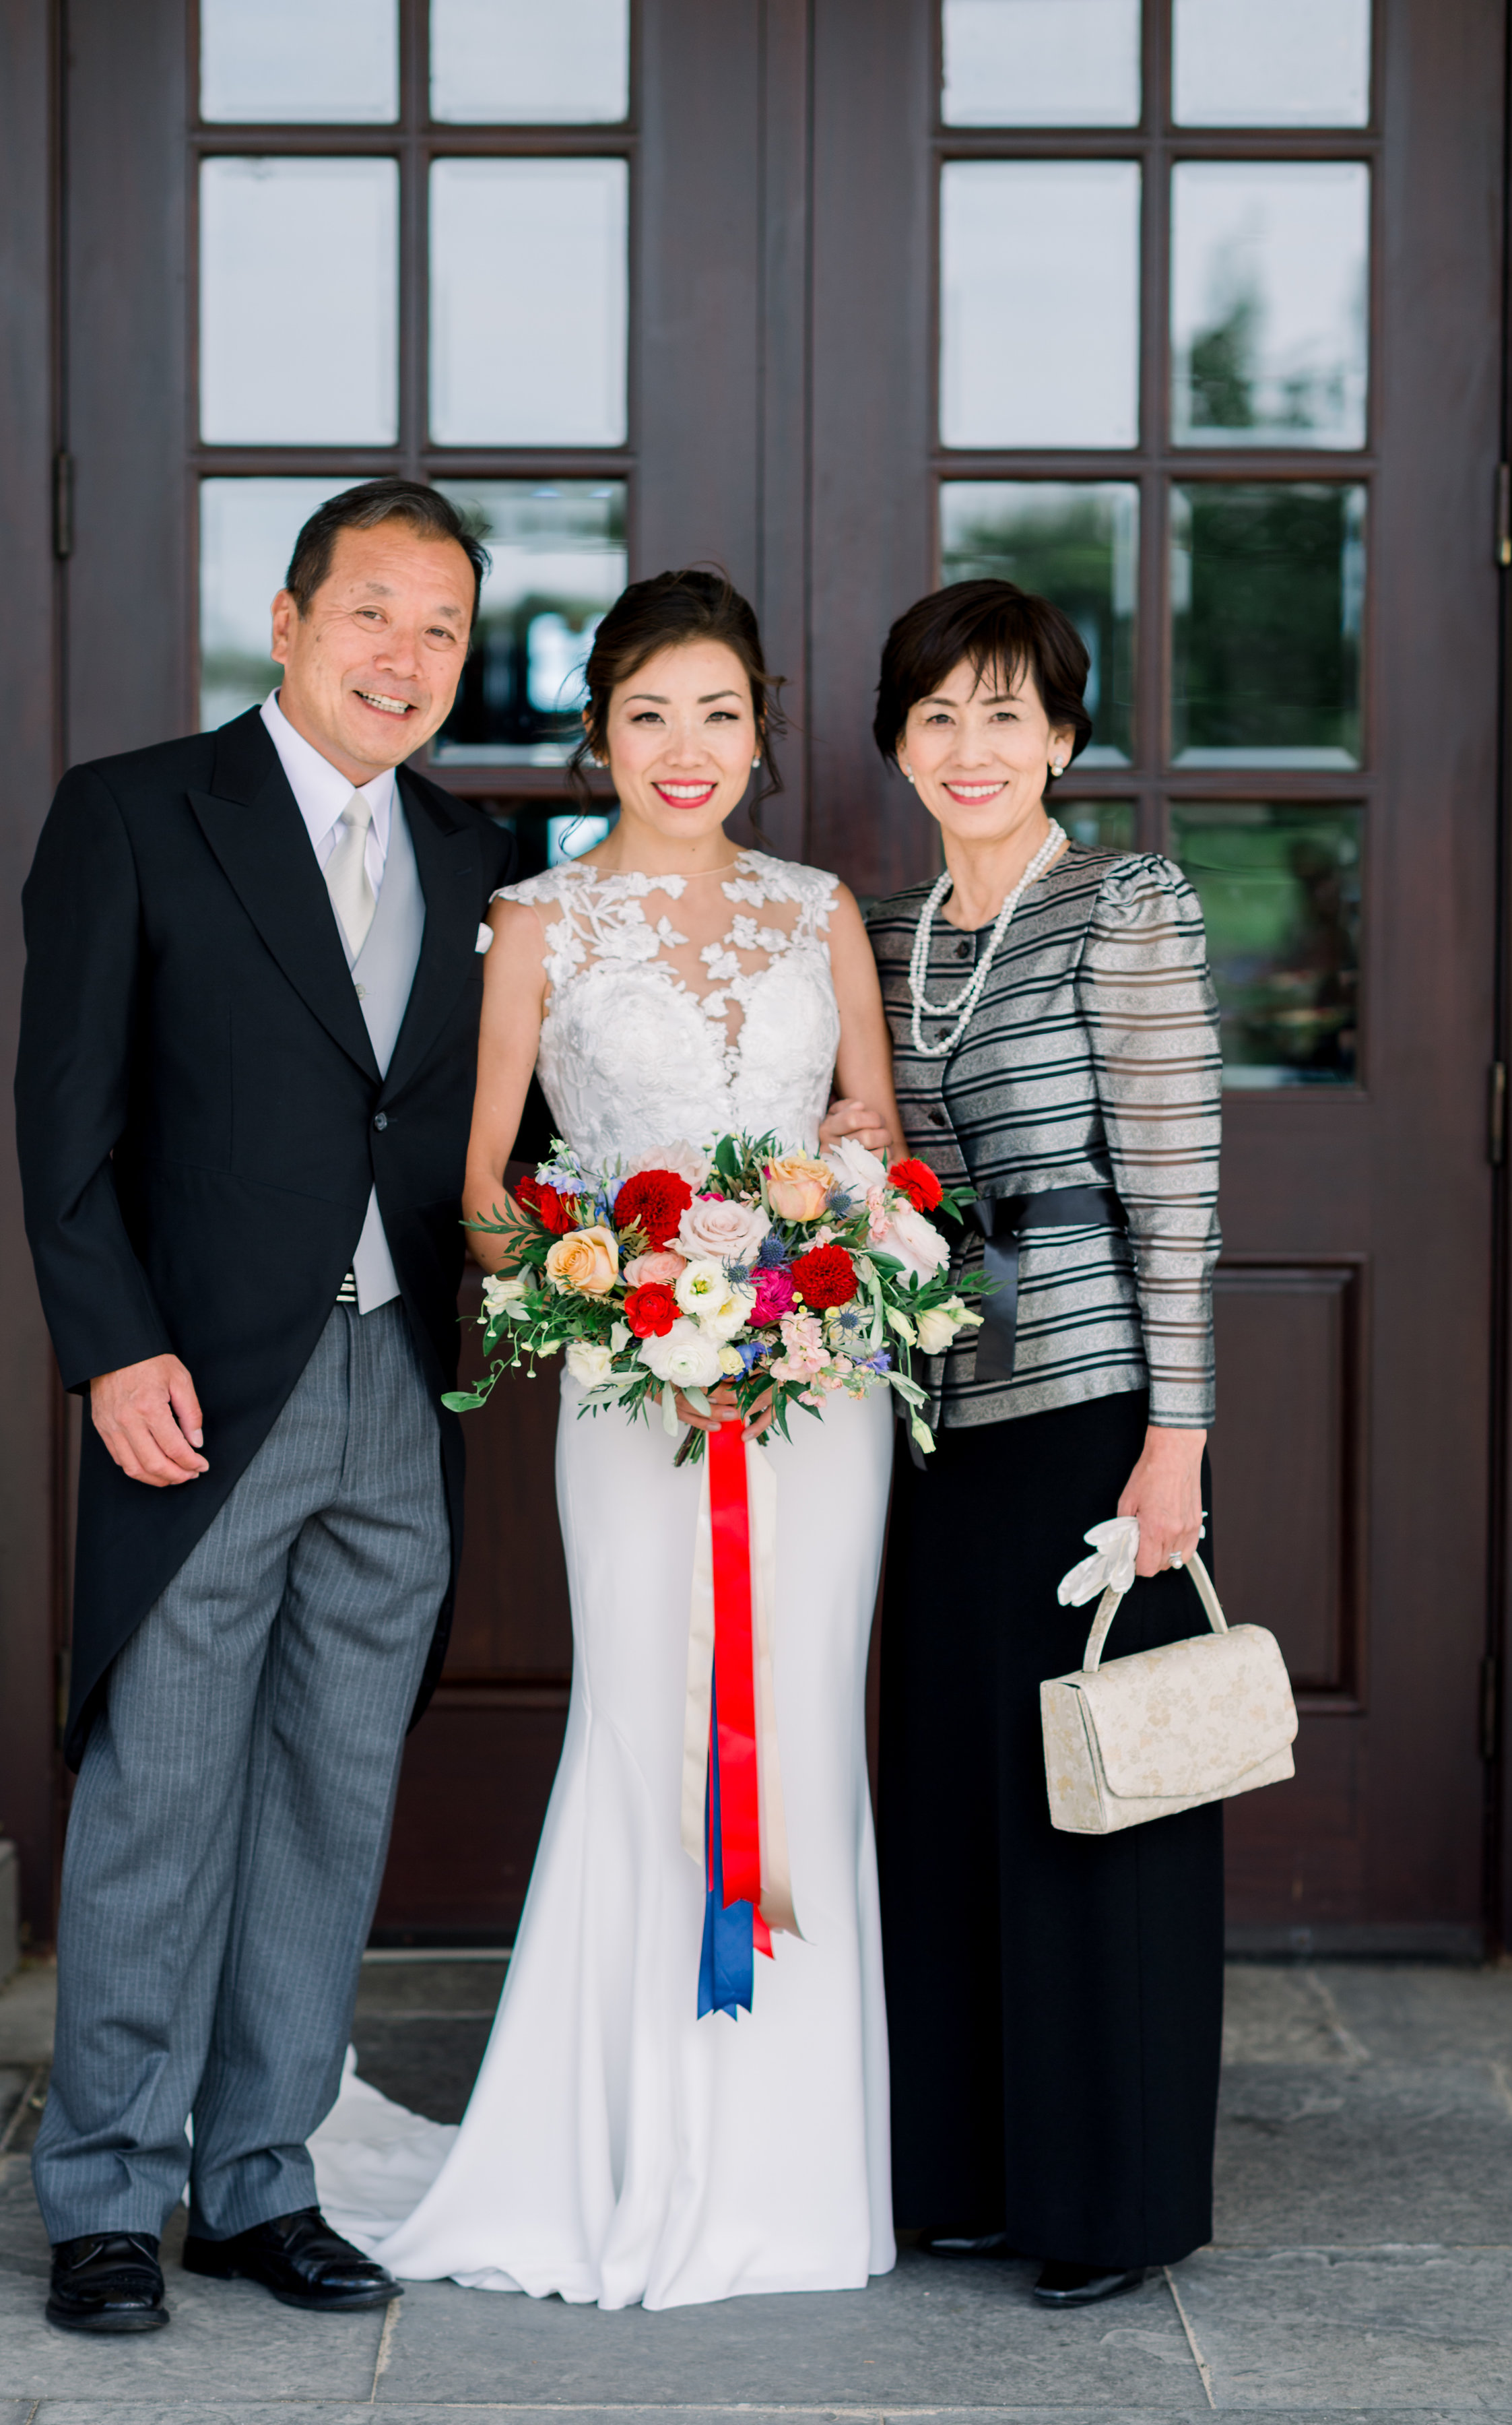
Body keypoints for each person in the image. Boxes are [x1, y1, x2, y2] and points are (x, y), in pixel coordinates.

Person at [310, 569, 905, 2309]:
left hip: (819, 1391)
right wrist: (628, 1298)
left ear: (759, 733)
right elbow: (482, 1190)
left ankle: (796, 2176)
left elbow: (866, 1133)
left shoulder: (817, 915)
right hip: (629, 1398)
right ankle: (616, 2151)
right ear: (599, 731)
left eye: (717, 714)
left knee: (795, 1723)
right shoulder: (537, 924)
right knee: (650, 1725)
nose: (683, 748)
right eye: (648, 714)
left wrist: (814, 1260)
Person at [14, 479, 515, 2333]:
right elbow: (62, 1117)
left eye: (441, 629)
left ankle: (257, 2179)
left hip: (402, 1385)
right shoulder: (137, 814)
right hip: (200, 1392)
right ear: (290, 621)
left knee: (328, 1792)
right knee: (161, 1790)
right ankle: (104, 2196)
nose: (406, 656)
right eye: (373, 612)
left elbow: (484, 1130)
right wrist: (108, 1343)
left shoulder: (476, 860)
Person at [865, 580, 1223, 2308]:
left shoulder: (1123, 905)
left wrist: (1181, 1437)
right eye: (936, 715)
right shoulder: (887, 931)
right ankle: (965, 2170)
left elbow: (1175, 1174)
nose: (970, 746)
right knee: (959, 1791)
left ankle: (1107, 2200)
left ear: (1062, 737)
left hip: (1092, 1407)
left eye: (1004, 713)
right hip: (934, 1413)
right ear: (898, 746)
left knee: (1104, 1794)